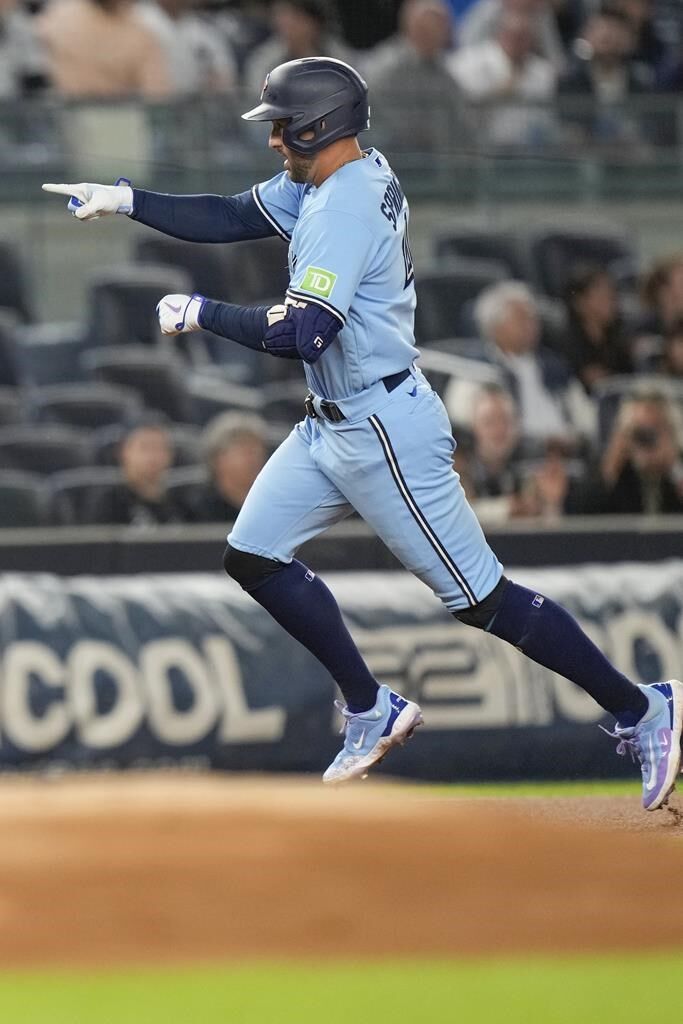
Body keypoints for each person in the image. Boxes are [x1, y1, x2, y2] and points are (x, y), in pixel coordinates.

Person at [43, 56, 682, 809]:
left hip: (383, 429)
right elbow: (230, 216)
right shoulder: (337, 177)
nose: (275, 139)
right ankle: (370, 705)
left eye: (282, 126)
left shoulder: (342, 205)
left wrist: (202, 313)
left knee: (482, 601)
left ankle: (643, 708)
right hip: (331, 422)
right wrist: (124, 199)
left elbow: (305, 334)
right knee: (252, 555)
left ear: (318, 126)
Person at [472, 281, 577, 444]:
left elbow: (585, 418)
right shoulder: (476, 369)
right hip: (515, 455)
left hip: (565, 451)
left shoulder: (553, 366)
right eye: (522, 319)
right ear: (495, 327)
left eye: (534, 318)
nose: (532, 325)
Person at [448, 9, 558, 148]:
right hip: (484, 150)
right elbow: (463, 113)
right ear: (500, 33)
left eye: (524, 37)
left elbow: (546, 118)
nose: (518, 42)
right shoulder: (470, 62)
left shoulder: (543, 71)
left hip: (529, 151)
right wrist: (497, 94)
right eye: (513, 36)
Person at [37, 0, 170, 98]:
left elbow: (158, 97)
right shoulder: (56, 18)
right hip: (63, 120)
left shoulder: (141, 35)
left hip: (119, 122)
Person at [86, 414, 187, 526]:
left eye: (161, 448)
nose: (153, 457)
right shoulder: (108, 504)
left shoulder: (182, 504)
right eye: (144, 447)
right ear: (123, 452)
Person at [596, 391, 683, 515]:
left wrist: (673, 465)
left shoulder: (677, 465)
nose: (646, 439)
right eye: (639, 431)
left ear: (669, 430)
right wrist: (614, 461)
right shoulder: (616, 466)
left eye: (654, 428)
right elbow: (587, 514)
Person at [560, 263, 634, 394]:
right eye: (601, 295)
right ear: (579, 302)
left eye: (612, 294)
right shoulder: (564, 344)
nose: (611, 300)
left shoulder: (621, 337)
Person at [190, 411, 268, 522]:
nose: (254, 460)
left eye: (257, 451)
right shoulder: (194, 510)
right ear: (218, 459)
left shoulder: (273, 503)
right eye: (245, 452)